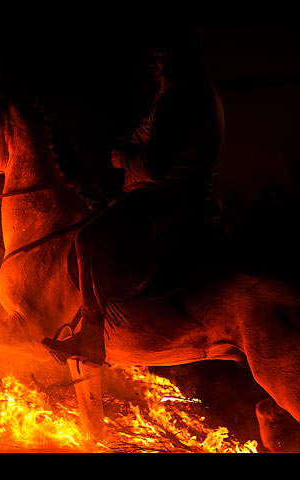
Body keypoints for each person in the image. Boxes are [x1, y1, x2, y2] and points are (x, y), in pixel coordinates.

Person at [44, 33, 226, 366]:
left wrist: (121, 158)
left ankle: (91, 334)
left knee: (86, 239)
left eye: (163, 58)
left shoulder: (179, 99)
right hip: (170, 193)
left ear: (184, 60)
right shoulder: (190, 94)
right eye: (155, 58)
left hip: (162, 195)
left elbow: (155, 166)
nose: (155, 66)